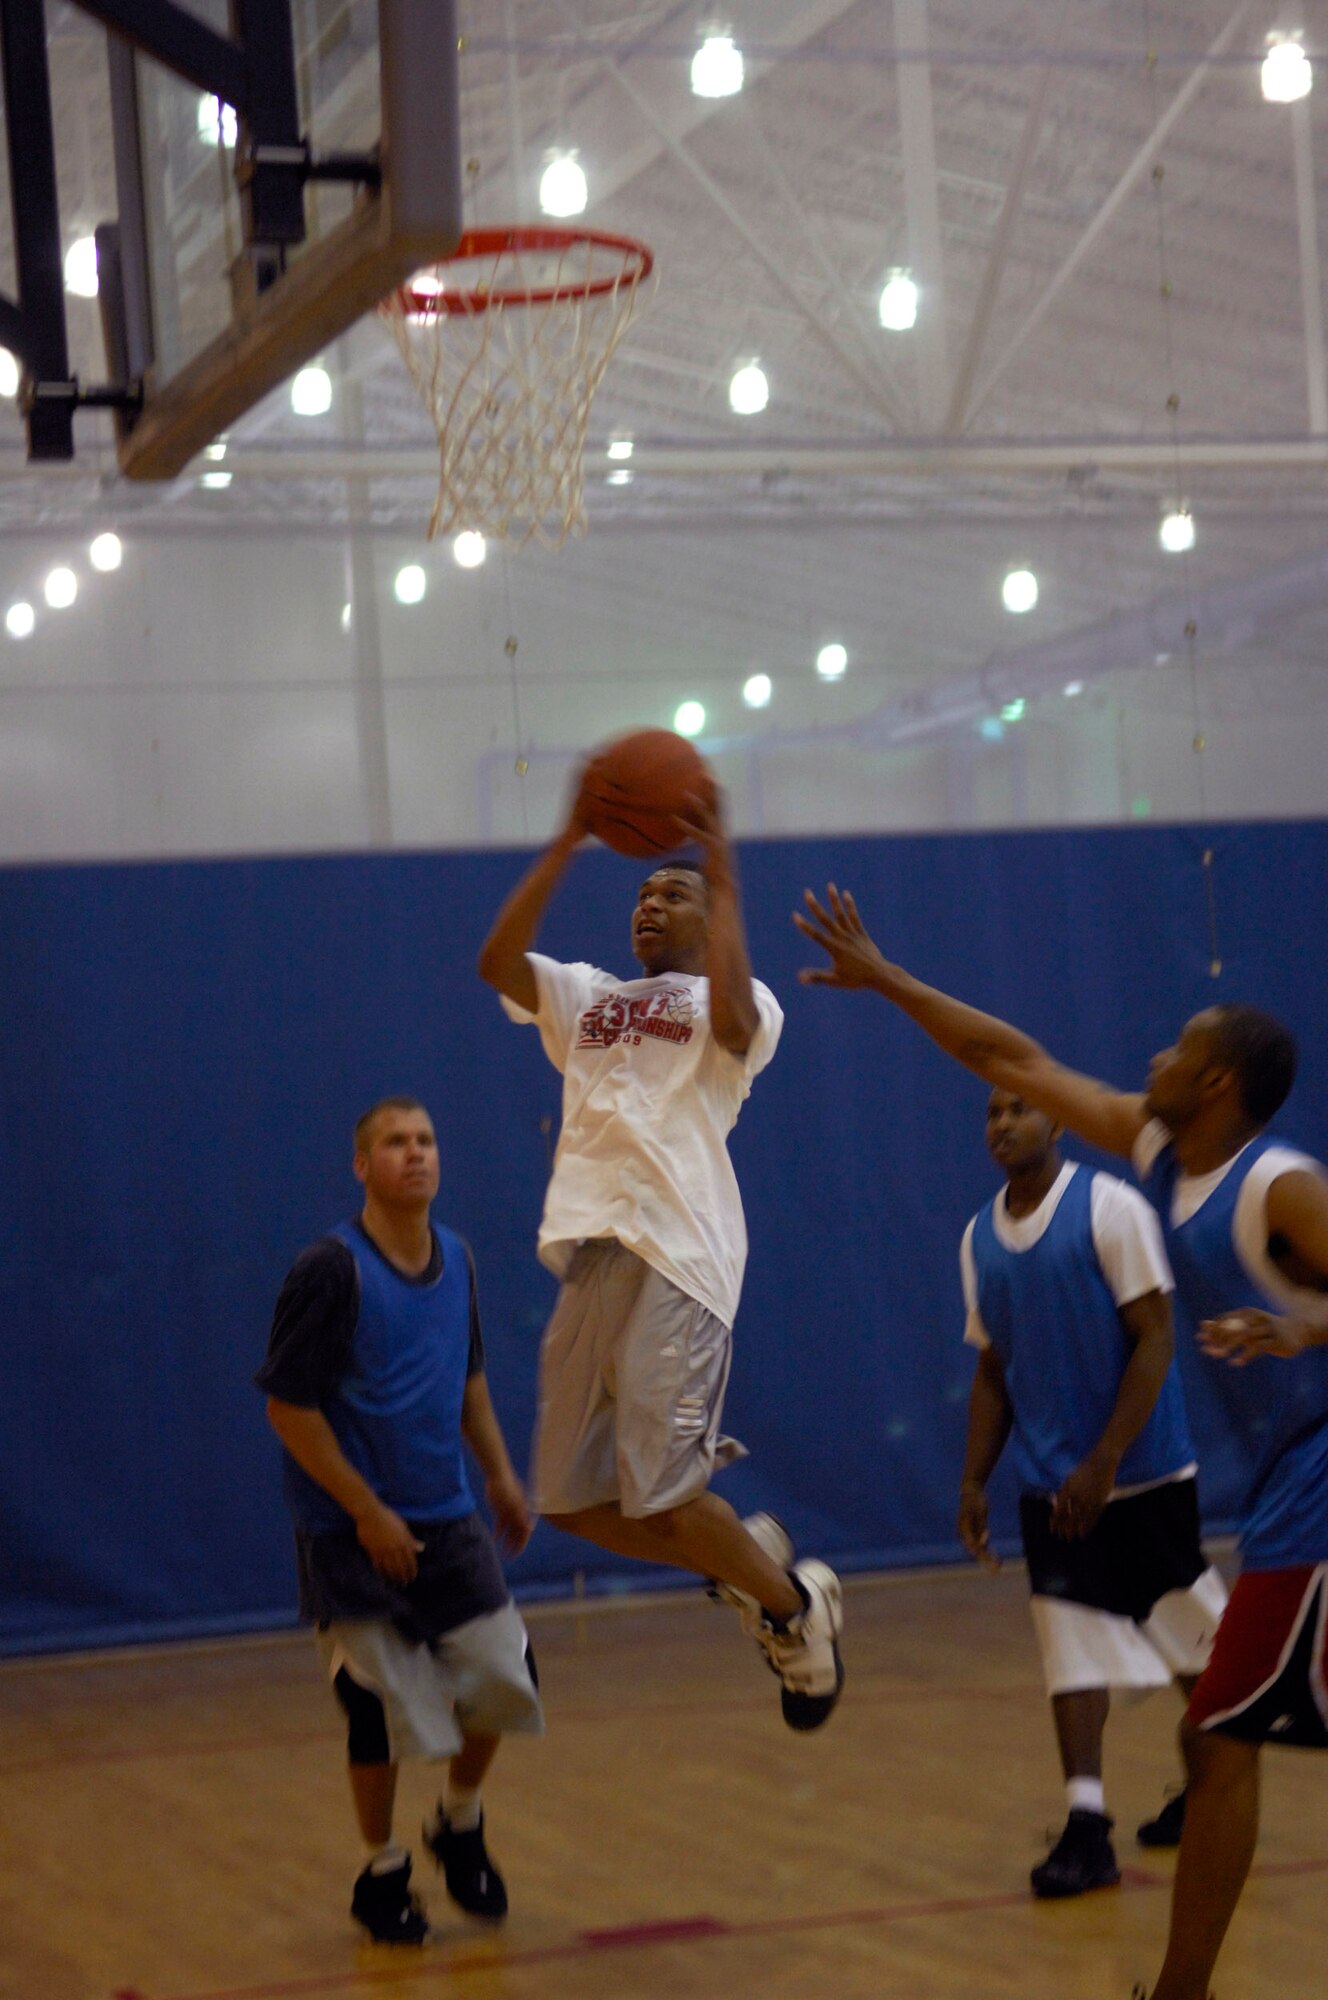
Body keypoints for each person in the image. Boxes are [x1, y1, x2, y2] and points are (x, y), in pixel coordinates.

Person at [794, 884, 1328, 2000]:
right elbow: (1012, 1053)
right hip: (1287, 1483)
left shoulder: (1278, 1184)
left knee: (1223, 1730)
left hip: (1317, 1485)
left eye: (1177, 1046)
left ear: (1216, 1083)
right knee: (1224, 1731)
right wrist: (887, 979)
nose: (1152, 1052)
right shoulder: (1164, 1152)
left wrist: (1300, 1323)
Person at [477, 781, 844, 1730]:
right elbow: (495, 962)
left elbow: (729, 1024)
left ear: (708, 915)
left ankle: (794, 1610)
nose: (648, 904)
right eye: (640, 895)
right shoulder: (592, 997)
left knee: (667, 1493)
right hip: (592, 1258)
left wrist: (720, 873)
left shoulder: (739, 999)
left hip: (681, 1253)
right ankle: (746, 1557)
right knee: (571, 1503)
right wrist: (564, 843)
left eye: (669, 896)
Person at [256, 1097, 542, 1946]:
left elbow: (469, 1382)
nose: (414, 1154)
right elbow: (289, 1409)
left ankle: (458, 1821)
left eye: (425, 1140)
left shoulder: (457, 1257)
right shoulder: (329, 1269)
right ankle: (380, 1871)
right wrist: (368, 1511)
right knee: (377, 1711)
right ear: (362, 1165)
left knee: (506, 1673)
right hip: (350, 1531)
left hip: (448, 1520)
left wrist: (499, 1474)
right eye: (394, 1143)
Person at [959, 1085, 1226, 1898]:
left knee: (1194, 1646)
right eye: (992, 1113)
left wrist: (1106, 1458)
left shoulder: (1109, 1209)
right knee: (1069, 1650)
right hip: (1051, 1488)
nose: (1003, 1123)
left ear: (1059, 1121)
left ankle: (1213, 1792)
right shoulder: (978, 1237)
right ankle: (1086, 1827)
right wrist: (974, 1479)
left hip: (1141, 1476)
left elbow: (1155, 1339)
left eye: (1019, 1108)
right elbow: (994, 1369)